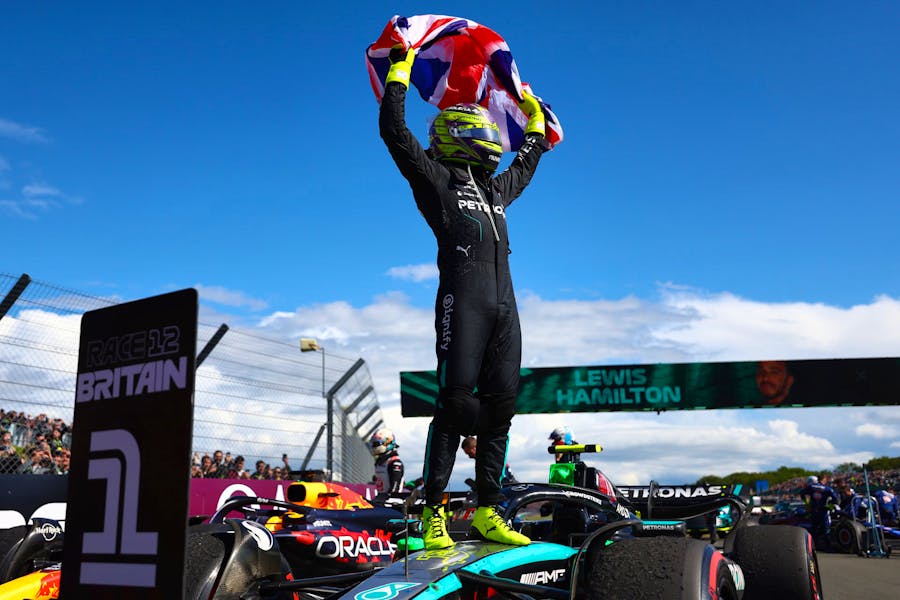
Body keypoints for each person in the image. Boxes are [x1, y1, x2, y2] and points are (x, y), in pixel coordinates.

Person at [379, 45, 549, 549]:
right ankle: (431, 514)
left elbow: (528, 164)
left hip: (505, 310)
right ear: (458, 135)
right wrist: (400, 73)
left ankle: (487, 511)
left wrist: (535, 125)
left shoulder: (495, 191)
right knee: (455, 405)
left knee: (501, 409)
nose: (491, 138)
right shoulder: (434, 179)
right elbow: (393, 131)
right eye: (483, 130)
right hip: (463, 301)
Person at [800, 475, 838, 550]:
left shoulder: (811, 487)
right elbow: (835, 499)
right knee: (826, 529)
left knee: (814, 529)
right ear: (824, 479)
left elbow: (802, 493)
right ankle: (828, 547)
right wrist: (829, 505)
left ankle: (813, 547)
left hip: (814, 511)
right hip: (823, 511)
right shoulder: (828, 489)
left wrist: (807, 502)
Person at [370, 428, 405, 494]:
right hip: (381, 498)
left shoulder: (394, 462)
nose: (373, 446)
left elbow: (395, 489)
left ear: (387, 443)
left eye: (376, 444)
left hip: (392, 501)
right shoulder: (380, 461)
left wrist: (389, 498)